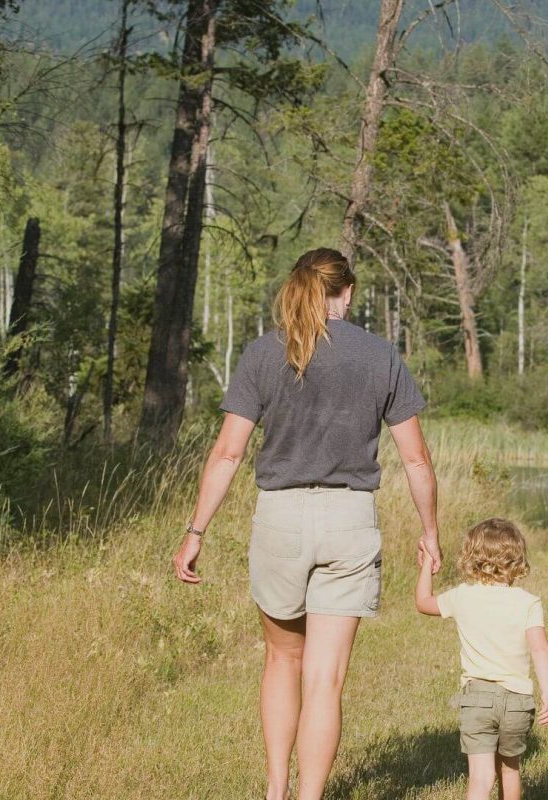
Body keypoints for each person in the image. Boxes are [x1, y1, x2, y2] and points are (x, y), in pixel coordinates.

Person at [171, 247, 442, 800]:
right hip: (350, 520)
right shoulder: (380, 355)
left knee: (281, 661)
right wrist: (430, 530)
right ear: (345, 293)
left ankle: (276, 790)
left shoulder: (265, 352)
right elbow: (416, 459)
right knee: (326, 680)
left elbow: (227, 454)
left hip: (281, 519)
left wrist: (195, 532)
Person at [415, 518, 548, 800]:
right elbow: (541, 649)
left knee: (481, 777)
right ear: (516, 560)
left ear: (471, 557)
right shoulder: (528, 602)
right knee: (510, 770)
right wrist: (547, 695)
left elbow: (423, 602)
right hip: (518, 700)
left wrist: (426, 567)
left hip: (477, 698)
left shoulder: (462, 596)